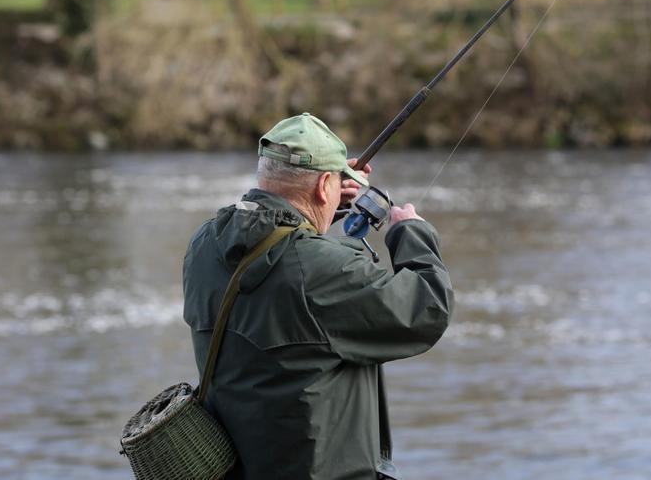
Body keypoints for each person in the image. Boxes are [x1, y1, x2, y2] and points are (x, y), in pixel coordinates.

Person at [183, 113, 454, 479]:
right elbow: (427, 308)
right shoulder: (321, 270)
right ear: (325, 184)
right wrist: (410, 233)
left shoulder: (204, 244)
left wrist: (324, 208)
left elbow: (280, 263)